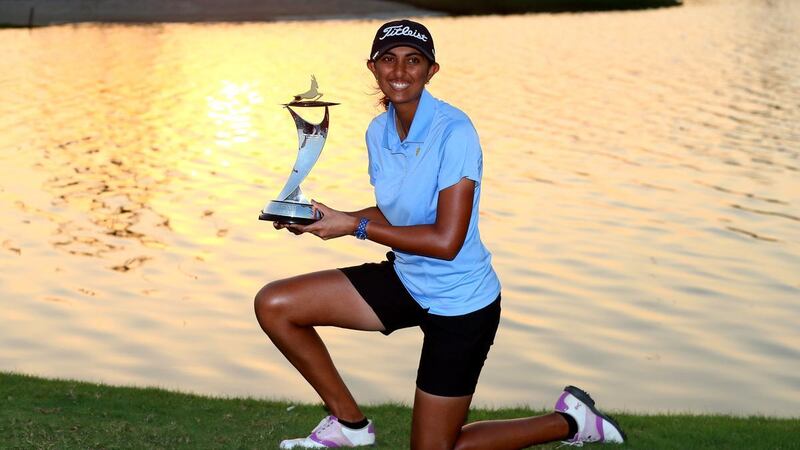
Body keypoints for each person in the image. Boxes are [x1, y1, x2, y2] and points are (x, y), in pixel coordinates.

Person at [254, 19, 626, 449]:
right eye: (389, 60)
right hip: (407, 278)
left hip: (462, 303)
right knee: (276, 305)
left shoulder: (456, 132)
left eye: (414, 61)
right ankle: (349, 426)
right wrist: (330, 217)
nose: (400, 71)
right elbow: (397, 213)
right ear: (372, 67)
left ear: (432, 71)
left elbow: (447, 242)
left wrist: (354, 227)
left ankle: (571, 422)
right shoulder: (378, 131)